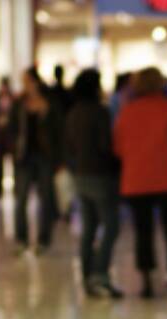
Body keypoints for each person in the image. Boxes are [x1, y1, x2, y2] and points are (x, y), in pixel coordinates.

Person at [114, 68, 167, 298]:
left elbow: (118, 147)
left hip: (136, 179)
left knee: (143, 230)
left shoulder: (127, 112)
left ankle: (146, 277)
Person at [65, 68, 123, 300]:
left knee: (89, 227)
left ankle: (88, 276)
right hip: (100, 174)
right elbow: (105, 145)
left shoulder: (73, 113)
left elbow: (68, 146)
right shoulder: (99, 112)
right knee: (111, 226)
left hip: (80, 174)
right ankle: (100, 274)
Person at [9, 68, 64, 255]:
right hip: (24, 156)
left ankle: (43, 238)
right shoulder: (19, 104)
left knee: (45, 198)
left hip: (44, 155)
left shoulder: (49, 103)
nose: (25, 84)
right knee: (21, 198)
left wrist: (58, 157)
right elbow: (12, 129)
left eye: (27, 80)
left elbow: (57, 131)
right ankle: (21, 239)